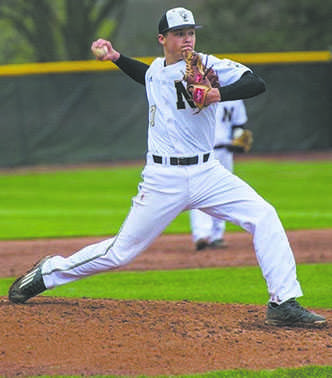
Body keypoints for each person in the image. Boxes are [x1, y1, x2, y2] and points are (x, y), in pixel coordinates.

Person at [8, 7, 326, 327]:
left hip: (207, 173)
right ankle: (49, 272)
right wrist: (116, 57)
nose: (187, 39)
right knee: (120, 253)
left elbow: (256, 82)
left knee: (264, 215)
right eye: (179, 34)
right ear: (163, 39)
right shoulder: (156, 71)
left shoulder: (206, 64)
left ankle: (283, 302)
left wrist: (219, 92)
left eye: (190, 32)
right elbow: (144, 74)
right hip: (164, 179)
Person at [190, 99, 249, 251]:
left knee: (222, 192)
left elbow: (239, 125)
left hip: (225, 152)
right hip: (201, 150)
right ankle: (201, 235)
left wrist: (238, 138)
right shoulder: (199, 92)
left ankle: (217, 236)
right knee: (198, 192)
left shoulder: (235, 97)